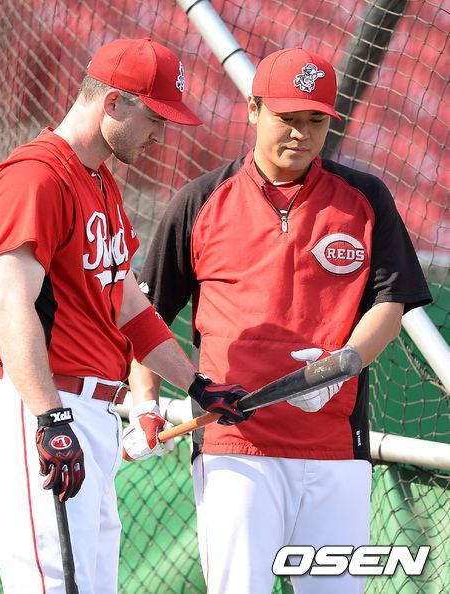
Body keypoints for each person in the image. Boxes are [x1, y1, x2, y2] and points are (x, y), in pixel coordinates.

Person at [129, 47, 433, 594]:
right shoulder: (200, 201)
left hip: (336, 448)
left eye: (316, 120)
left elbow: (391, 303)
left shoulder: (366, 198)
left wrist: (344, 363)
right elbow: (145, 315)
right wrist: (145, 403)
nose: (301, 134)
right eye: (287, 118)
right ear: (253, 109)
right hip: (234, 449)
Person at [0, 37, 251, 594]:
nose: (161, 135)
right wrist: (50, 418)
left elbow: (128, 306)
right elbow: (9, 305)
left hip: (91, 415)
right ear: (113, 102)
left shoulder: (99, 183)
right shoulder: (35, 175)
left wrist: (196, 383)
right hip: (43, 408)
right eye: (156, 117)